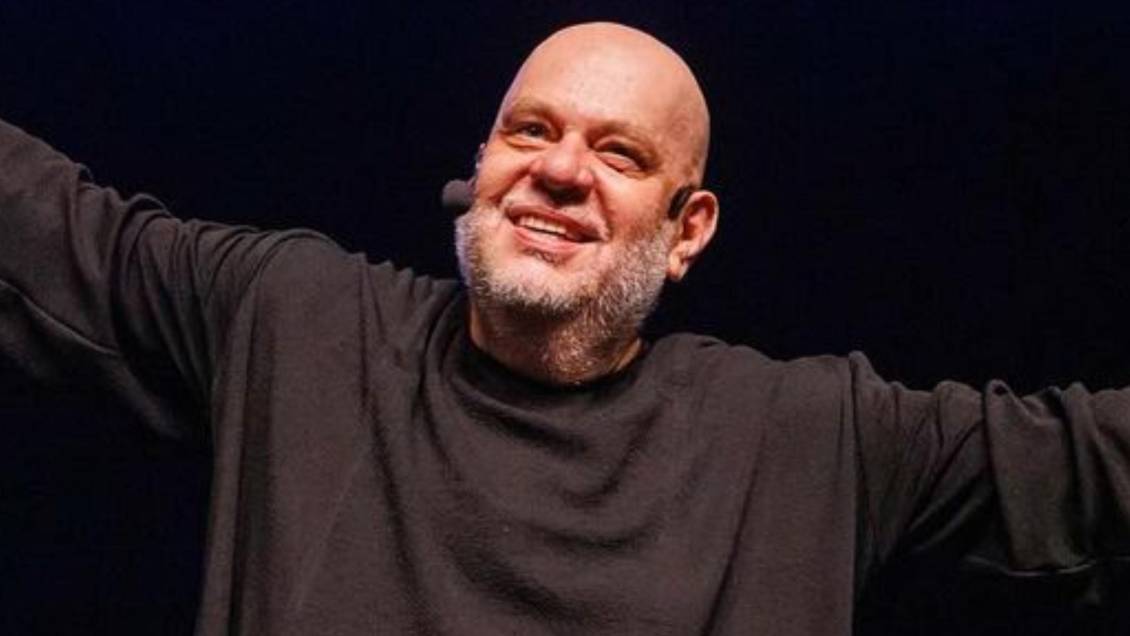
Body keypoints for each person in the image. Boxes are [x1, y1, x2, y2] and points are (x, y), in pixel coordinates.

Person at [1, 21, 1127, 636]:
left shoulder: (804, 438)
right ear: (481, 167)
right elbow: (43, 230)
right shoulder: (300, 325)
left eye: (618, 153)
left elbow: (1087, 465)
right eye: (528, 131)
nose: (559, 170)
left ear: (687, 230)